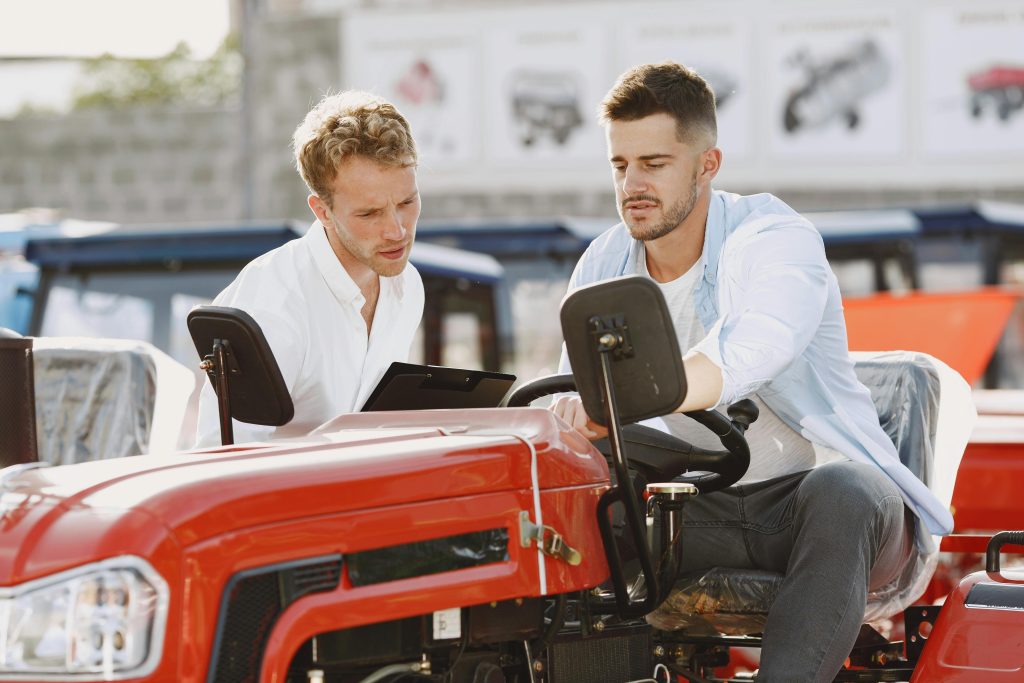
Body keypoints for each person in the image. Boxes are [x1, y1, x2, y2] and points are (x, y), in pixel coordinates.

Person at [551, 62, 951, 682]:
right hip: (691, 510)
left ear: (708, 164)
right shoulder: (602, 262)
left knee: (844, 489)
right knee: (570, 500)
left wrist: (654, 389)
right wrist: (578, 416)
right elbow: (573, 403)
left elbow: (759, 339)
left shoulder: (772, 237)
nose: (632, 184)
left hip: (812, 506)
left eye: (654, 164)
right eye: (619, 165)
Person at [195, 91, 424, 446]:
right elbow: (223, 460)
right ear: (322, 212)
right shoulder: (273, 304)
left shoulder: (408, 285)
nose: (397, 230)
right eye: (369, 213)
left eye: (407, 202)